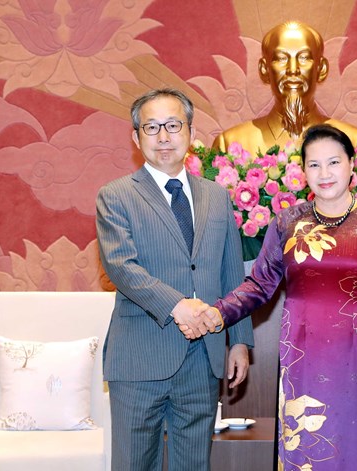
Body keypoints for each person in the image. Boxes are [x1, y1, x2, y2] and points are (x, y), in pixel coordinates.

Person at [184, 124, 357, 470]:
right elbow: (259, 285)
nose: (325, 173)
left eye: (333, 162)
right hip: (303, 356)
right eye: (314, 165)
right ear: (302, 171)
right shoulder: (287, 223)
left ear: (352, 165)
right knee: (307, 447)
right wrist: (217, 314)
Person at [96, 88, 254, 471]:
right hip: (139, 355)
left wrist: (240, 341)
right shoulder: (115, 196)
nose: (163, 136)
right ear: (136, 137)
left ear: (190, 132)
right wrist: (177, 305)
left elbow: (232, 272)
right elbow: (121, 267)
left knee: (194, 464)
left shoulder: (217, 196)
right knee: (135, 464)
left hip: (203, 356)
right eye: (151, 127)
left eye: (172, 125)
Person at [212, 21, 357, 153]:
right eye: (281, 59)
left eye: (304, 58)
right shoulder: (230, 145)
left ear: (321, 69)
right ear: (264, 69)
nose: (293, 70)